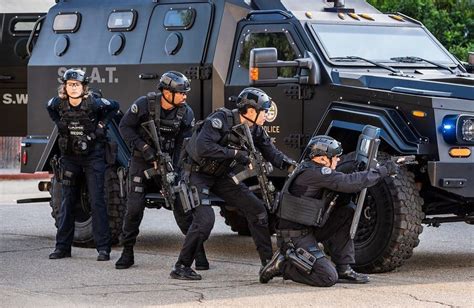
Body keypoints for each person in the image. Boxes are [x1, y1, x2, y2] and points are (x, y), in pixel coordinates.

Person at [170, 87, 296, 280]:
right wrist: (237, 154)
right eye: (264, 111)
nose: (267, 116)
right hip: (197, 173)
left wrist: (291, 167)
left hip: (221, 175)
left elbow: (272, 153)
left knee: (258, 210)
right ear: (251, 111)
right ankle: (181, 266)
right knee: (205, 221)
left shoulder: (255, 129)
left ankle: (269, 264)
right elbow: (204, 148)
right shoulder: (221, 120)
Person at [259, 135, 398, 286]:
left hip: (310, 228)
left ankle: (344, 268)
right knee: (327, 277)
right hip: (294, 237)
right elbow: (348, 182)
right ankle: (283, 265)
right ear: (322, 159)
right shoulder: (315, 174)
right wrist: (383, 170)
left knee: (346, 211)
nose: (338, 160)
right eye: (335, 157)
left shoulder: (312, 168)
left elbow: (343, 179)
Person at [116, 71, 209, 270]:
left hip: (168, 163)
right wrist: (144, 148)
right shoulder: (144, 104)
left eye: (185, 93)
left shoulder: (186, 113)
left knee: (183, 209)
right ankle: (127, 251)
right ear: (167, 92)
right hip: (142, 161)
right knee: (133, 208)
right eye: (181, 93)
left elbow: (183, 145)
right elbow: (125, 127)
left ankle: (198, 253)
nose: (185, 96)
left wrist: (173, 171)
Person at [47, 68, 119, 261]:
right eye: (70, 85)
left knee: (97, 202)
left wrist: (101, 127)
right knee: (67, 202)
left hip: (93, 157)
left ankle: (103, 248)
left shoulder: (93, 102)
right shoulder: (58, 103)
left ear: (83, 86)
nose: (73, 88)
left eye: (77, 84)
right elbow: (49, 108)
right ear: (65, 87)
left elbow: (115, 106)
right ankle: (62, 247)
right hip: (70, 158)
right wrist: (59, 123)